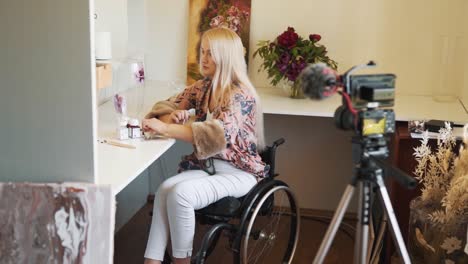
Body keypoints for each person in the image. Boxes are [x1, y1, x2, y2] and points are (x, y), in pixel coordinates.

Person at [142, 27, 267, 264]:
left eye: (211, 53)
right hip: (209, 168)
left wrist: (167, 128)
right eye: (203, 51)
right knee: (164, 190)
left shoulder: (241, 96)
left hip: (239, 173)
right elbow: (162, 107)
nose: (204, 58)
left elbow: (215, 136)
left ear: (226, 57)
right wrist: (175, 114)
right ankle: (152, 262)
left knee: (180, 194)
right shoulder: (202, 87)